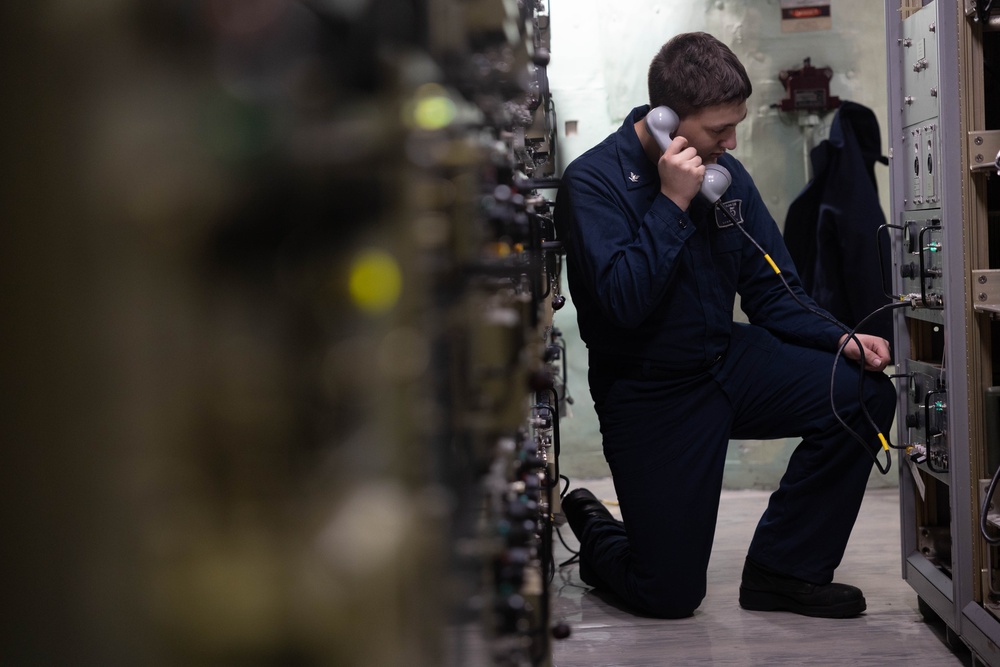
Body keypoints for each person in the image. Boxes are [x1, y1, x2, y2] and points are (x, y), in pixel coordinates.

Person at [554, 32, 896, 620]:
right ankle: (595, 530)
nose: (731, 143)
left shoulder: (726, 175)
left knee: (862, 393)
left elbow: (774, 291)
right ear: (665, 119)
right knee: (669, 594)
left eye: (735, 126)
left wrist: (839, 337)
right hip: (650, 389)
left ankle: (783, 571)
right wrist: (671, 202)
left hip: (726, 359)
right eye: (718, 131)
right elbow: (622, 302)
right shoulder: (592, 184)